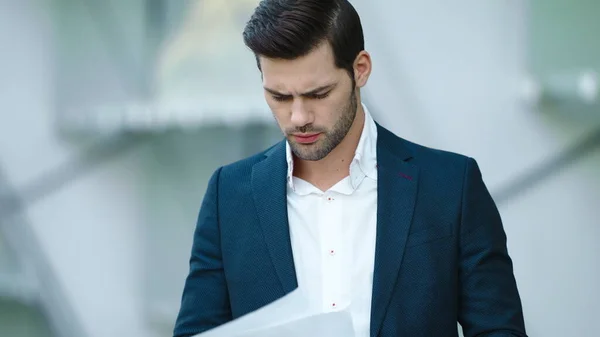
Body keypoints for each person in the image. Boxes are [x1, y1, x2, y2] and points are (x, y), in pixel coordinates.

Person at [173, 0, 527, 336]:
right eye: (279, 97)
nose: (299, 118)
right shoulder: (228, 195)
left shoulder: (451, 186)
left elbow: (499, 329)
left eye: (317, 94)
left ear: (360, 70)